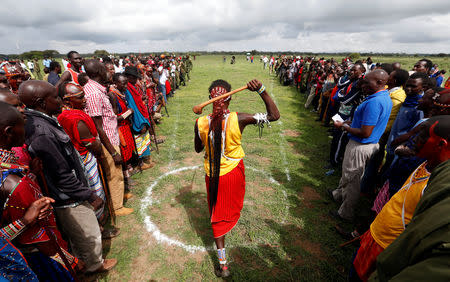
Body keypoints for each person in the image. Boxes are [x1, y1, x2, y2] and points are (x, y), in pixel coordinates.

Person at [17, 81, 117, 273]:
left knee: (79, 231)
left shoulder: (44, 120)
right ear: (41, 102)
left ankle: (85, 261)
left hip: (69, 192)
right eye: (54, 97)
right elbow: (61, 174)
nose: (60, 100)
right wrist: (89, 194)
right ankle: (94, 265)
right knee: (86, 231)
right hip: (68, 197)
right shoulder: (41, 131)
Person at [194, 79, 280, 277]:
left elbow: (198, 149)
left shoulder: (200, 122)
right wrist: (262, 90)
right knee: (224, 213)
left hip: (213, 175)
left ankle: (223, 264)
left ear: (210, 99)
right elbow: (274, 115)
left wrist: (204, 135)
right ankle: (223, 260)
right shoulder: (239, 118)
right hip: (233, 174)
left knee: (216, 216)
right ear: (229, 99)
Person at [369, 116, 450, 281]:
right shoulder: (423, 163)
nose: (414, 139)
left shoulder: (437, 187)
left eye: (421, 136)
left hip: (387, 248)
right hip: (376, 234)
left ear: (441, 144)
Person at [330, 69, 392, 221]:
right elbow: (368, 122)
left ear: (380, 82)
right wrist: (351, 122)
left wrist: (343, 126)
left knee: (352, 179)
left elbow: (365, 132)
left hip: (360, 145)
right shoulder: (382, 96)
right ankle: (339, 195)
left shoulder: (375, 102)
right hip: (367, 144)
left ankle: (346, 212)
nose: (363, 84)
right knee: (349, 174)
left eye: (367, 82)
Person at [83, 59, 133, 216]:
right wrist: (112, 151)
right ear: (98, 72)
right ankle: (117, 207)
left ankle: (118, 196)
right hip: (107, 142)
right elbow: (98, 127)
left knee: (116, 171)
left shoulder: (99, 89)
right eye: (106, 69)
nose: (109, 72)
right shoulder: (93, 93)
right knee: (113, 172)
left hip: (111, 136)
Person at [57, 82, 108, 222]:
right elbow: (92, 144)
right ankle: (100, 222)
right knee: (95, 189)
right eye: (80, 98)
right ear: (67, 100)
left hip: (79, 159)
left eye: (83, 96)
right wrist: (99, 149)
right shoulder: (74, 118)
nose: (84, 99)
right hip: (85, 160)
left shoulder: (66, 114)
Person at [123, 66, 154, 170]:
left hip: (141, 117)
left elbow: (136, 103)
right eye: (134, 77)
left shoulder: (132, 86)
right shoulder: (127, 89)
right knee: (139, 140)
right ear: (128, 77)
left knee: (143, 139)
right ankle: (142, 161)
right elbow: (133, 107)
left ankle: (146, 161)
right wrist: (141, 122)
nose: (136, 79)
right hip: (138, 119)